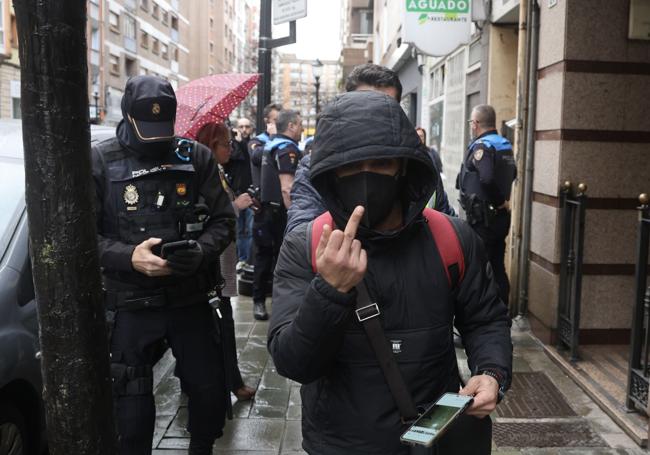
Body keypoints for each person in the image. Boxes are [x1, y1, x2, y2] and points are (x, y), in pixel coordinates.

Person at [268, 90, 512, 455]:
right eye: (350, 166)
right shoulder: (307, 246)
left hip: (436, 436)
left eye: (381, 163)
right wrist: (330, 290)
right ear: (331, 174)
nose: (365, 178)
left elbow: (485, 319)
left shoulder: (452, 237)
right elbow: (293, 361)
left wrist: (491, 373)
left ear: (403, 166)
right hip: (344, 444)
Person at [91, 76, 235, 455]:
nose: (156, 138)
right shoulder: (101, 161)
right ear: (127, 116)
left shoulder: (195, 157)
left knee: (208, 395)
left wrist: (202, 251)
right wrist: (129, 257)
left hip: (189, 300)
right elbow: (84, 238)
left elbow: (224, 220)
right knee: (131, 417)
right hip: (130, 306)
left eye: (163, 129)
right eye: (147, 129)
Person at [285, 63, 455, 234]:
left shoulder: (418, 166)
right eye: (362, 106)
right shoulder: (316, 167)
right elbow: (300, 230)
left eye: (384, 107)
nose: (372, 117)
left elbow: (445, 225)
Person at [196, 122, 256, 402]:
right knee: (222, 322)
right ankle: (231, 380)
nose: (231, 148)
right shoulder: (203, 174)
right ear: (211, 146)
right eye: (225, 144)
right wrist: (236, 206)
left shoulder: (218, 171)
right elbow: (208, 217)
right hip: (213, 262)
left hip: (223, 257)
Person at [457, 104, 517, 307]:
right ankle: (502, 310)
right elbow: (513, 174)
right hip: (498, 219)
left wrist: (499, 201)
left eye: (470, 122)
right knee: (498, 265)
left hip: (485, 220)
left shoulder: (483, 146)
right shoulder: (504, 144)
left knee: (482, 267)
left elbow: (487, 179)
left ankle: (488, 313)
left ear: (475, 124)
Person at [250, 109, 303, 320]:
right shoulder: (285, 147)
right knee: (280, 259)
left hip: (264, 212)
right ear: (290, 126)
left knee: (262, 258)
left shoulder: (269, 145)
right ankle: (274, 304)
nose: (301, 128)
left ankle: (259, 302)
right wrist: (296, 217)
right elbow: (287, 188)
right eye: (299, 124)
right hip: (278, 214)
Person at [227, 117, 254, 269]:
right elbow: (234, 157)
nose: (244, 130)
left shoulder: (252, 145)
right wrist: (235, 141)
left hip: (249, 194)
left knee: (249, 230)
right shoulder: (233, 148)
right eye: (241, 127)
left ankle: (246, 259)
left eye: (247, 126)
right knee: (238, 231)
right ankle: (241, 259)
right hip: (236, 195)